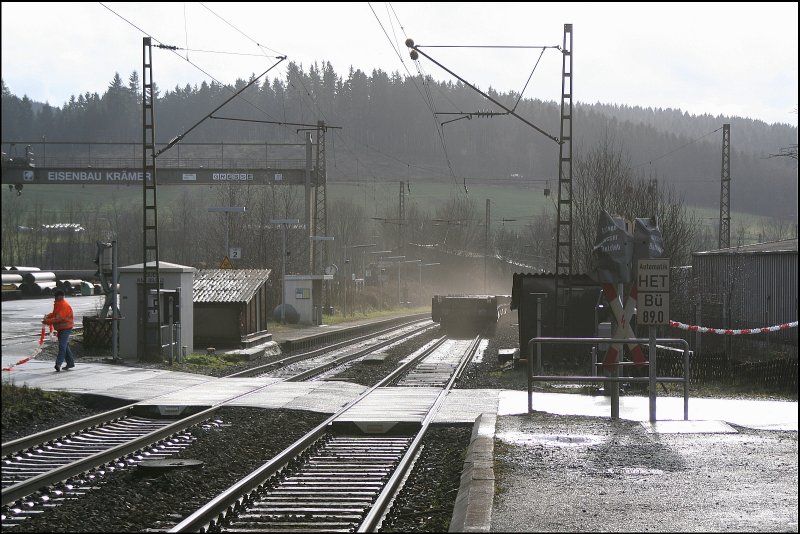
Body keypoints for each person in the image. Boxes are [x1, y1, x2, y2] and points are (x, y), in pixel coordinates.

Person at [43, 288, 75, 371]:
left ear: (60, 296)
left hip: (66, 328)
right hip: (61, 328)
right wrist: (48, 316)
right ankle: (70, 363)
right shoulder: (58, 304)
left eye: (56, 296)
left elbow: (58, 318)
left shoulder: (64, 305)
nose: (55, 298)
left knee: (62, 346)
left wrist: (47, 321)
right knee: (65, 346)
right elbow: (54, 314)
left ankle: (58, 364)